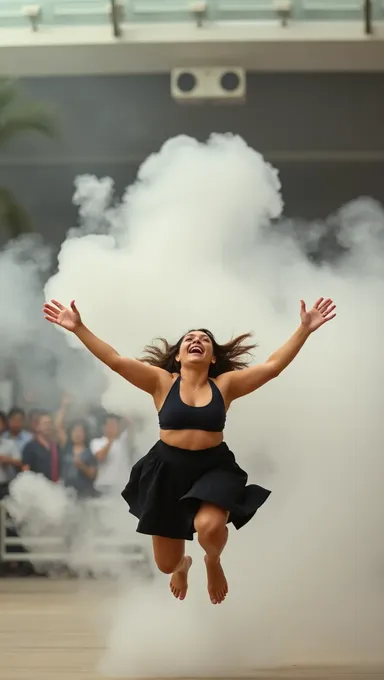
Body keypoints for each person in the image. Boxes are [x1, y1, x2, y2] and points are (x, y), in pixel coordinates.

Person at [43, 296, 336, 605]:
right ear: (179, 356)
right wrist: (79, 328)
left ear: (211, 358)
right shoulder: (160, 382)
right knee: (166, 564)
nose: (197, 341)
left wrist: (304, 328)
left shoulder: (225, 385)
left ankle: (213, 560)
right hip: (166, 469)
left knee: (208, 527)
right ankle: (183, 566)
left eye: (204, 340)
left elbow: (273, 366)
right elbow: (115, 360)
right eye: (190, 339)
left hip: (213, 467)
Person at [55, 397, 98, 498]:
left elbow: (92, 475)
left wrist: (82, 466)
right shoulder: (66, 446)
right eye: (75, 431)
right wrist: (64, 406)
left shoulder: (89, 453)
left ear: (85, 434)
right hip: (65, 492)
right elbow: (58, 426)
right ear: (71, 433)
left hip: (83, 494)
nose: (77, 434)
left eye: (80, 431)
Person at [90, 413, 133, 496]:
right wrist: (111, 439)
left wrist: (123, 413)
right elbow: (100, 457)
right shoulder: (96, 442)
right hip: (104, 485)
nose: (112, 427)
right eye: (110, 424)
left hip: (122, 485)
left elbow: (131, 427)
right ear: (103, 427)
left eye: (114, 424)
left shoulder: (123, 441)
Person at [22, 412, 60, 482]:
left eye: (50, 423)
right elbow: (25, 472)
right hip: (37, 488)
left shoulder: (56, 446)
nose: (48, 426)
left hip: (55, 488)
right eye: (45, 424)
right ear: (37, 427)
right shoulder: (30, 447)